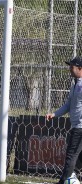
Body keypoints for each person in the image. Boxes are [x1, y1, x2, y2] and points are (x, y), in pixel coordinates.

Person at [46, 56, 82, 184]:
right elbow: (68, 104)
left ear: (80, 68)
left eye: (72, 67)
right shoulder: (75, 84)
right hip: (76, 125)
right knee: (78, 156)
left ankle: (62, 181)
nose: (70, 69)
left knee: (71, 155)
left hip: (80, 127)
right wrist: (54, 114)